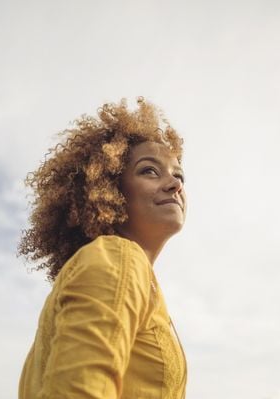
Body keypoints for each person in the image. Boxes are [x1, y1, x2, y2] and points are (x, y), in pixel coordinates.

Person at [17, 98, 188, 399]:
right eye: (150, 171)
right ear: (109, 189)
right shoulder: (119, 258)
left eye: (179, 175)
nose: (174, 184)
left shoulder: (125, 270)